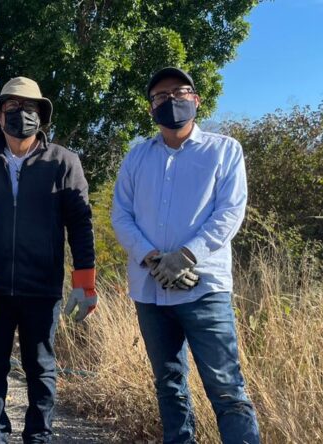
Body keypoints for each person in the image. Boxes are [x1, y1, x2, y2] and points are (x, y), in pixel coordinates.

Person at [111, 67, 260, 443]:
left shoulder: (224, 150)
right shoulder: (136, 157)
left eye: (180, 92)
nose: (171, 100)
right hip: (150, 291)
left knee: (226, 389)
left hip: (205, 289)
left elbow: (229, 213)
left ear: (196, 99)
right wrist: (152, 258)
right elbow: (121, 214)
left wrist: (186, 256)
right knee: (169, 385)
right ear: (151, 109)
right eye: (161, 96)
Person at [0, 77, 96, 444]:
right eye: (12, 108)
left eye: (30, 108)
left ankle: (39, 436)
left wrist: (84, 281)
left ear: (41, 116)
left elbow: (81, 222)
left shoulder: (63, 161)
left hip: (42, 286)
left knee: (40, 367)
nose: (21, 114)